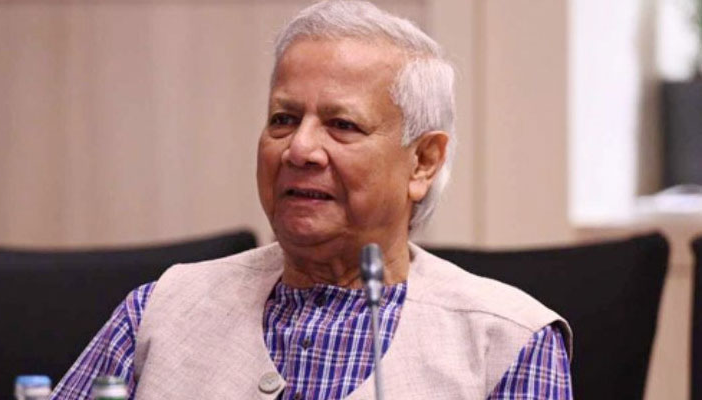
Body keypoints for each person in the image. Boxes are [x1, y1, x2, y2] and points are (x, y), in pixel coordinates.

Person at [51, 1, 572, 399]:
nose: (298, 149)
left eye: (342, 125)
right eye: (283, 119)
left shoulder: (507, 344)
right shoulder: (158, 311)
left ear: (423, 162)